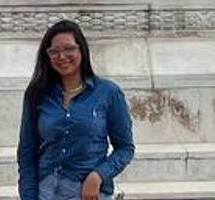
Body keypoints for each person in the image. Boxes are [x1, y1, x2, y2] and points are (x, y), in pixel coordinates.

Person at [17, 21, 134, 200]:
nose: (62, 56)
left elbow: (125, 148)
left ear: (82, 50)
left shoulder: (108, 93)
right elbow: (27, 151)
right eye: (54, 51)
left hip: (88, 192)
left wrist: (98, 175)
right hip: (46, 191)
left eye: (69, 48)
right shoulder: (37, 94)